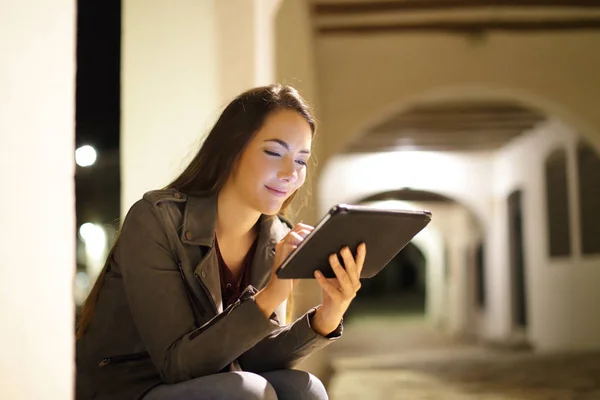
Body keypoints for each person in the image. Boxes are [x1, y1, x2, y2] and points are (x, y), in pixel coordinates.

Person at [75, 84, 367, 400]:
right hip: (128, 389)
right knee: (248, 392)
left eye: (301, 160)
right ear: (231, 150)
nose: (290, 173)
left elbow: (252, 358)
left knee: (304, 389)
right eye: (273, 152)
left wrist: (327, 316)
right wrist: (271, 295)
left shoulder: (276, 235)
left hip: (212, 384)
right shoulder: (156, 220)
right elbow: (176, 365)